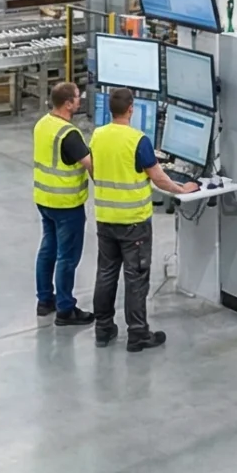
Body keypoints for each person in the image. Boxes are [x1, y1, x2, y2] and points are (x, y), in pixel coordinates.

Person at [88, 86, 198, 351]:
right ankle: (137, 333)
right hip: (133, 221)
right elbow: (158, 177)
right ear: (131, 109)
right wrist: (183, 189)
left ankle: (103, 329)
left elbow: (93, 167)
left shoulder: (97, 135)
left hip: (105, 217)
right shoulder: (138, 140)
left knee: (106, 273)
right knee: (135, 278)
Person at [31, 81, 96, 326]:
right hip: (66, 204)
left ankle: (45, 300)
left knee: (48, 249)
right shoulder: (69, 134)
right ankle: (66, 309)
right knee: (67, 257)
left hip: (44, 200)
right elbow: (91, 164)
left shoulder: (43, 124)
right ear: (68, 104)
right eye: (77, 97)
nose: (80, 101)